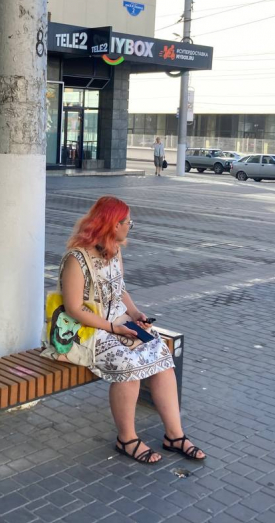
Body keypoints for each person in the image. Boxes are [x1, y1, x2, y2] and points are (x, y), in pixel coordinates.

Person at [58, 196, 205, 464]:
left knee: (160, 354)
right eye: (128, 222)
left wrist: (136, 314)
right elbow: (74, 309)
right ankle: (126, 438)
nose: (130, 227)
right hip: (90, 332)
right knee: (129, 366)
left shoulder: (114, 249)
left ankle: (174, 434)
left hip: (118, 323)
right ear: (114, 224)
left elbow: (119, 288)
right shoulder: (76, 260)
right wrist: (115, 327)